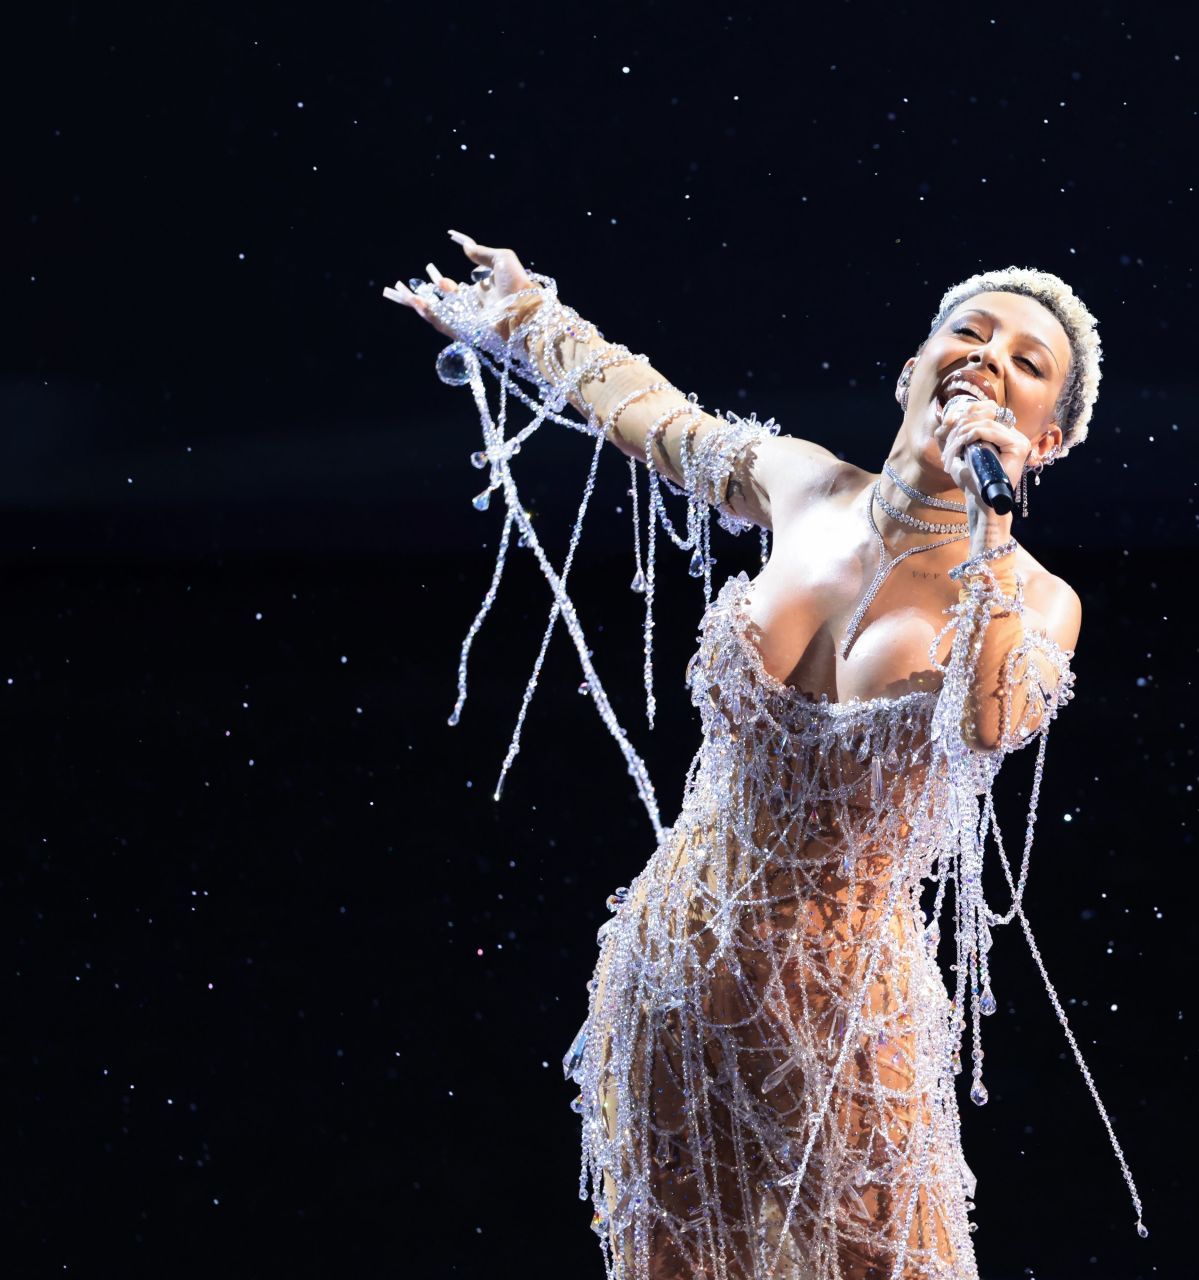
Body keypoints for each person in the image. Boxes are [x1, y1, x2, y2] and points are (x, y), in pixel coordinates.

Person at [383, 232, 1143, 1279]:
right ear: (910, 370)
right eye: (967, 333)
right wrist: (525, 315)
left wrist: (988, 525)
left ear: (1045, 438)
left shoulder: (1039, 599)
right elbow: (657, 419)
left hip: (844, 1018)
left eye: (1025, 361)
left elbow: (985, 724)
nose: (985, 359)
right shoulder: (806, 487)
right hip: (674, 980)